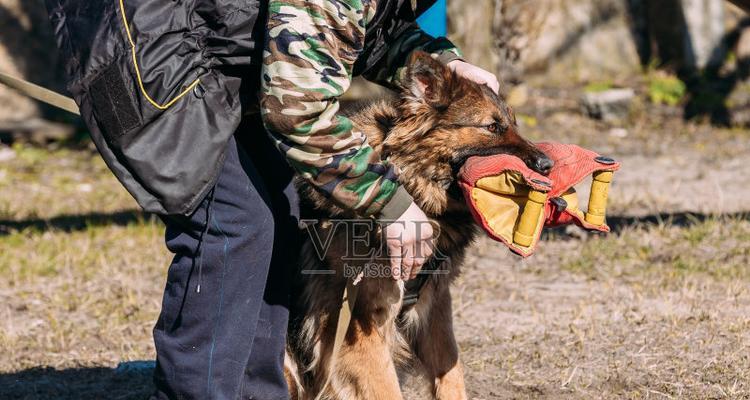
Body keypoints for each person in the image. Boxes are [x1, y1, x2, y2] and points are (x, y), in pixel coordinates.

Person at [45, 0, 499, 398]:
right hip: (146, 46)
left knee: (281, 211)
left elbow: (357, 32)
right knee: (234, 222)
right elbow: (297, 108)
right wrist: (390, 202)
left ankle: (257, 392)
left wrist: (447, 65)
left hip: (221, 61)